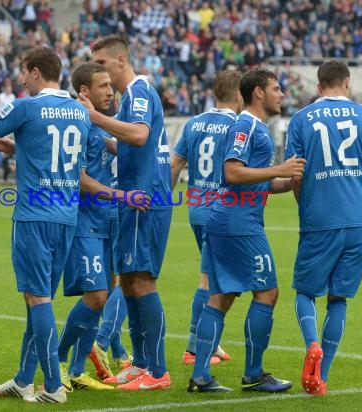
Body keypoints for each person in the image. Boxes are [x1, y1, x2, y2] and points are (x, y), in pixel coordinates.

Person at [0, 47, 91, 404]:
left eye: (24, 72)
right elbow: (66, 161)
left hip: (33, 216)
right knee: (37, 299)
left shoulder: (26, 106)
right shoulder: (80, 113)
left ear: (36, 71)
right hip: (66, 216)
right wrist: (18, 149)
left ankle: (53, 386)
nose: (21, 79)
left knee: (37, 299)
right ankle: (25, 380)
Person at [285, 60, 362, 395]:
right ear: (347, 83)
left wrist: (303, 205)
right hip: (360, 218)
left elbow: (296, 173)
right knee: (339, 299)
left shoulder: (301, 118)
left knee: (306, 292)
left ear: (319, 84)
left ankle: (312, 344)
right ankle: (321, 378)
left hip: (320, 217)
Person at [189, 69, 305, 393]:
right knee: (267, 292)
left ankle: (201, 376)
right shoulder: (246, 124)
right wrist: (280, 168)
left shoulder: (256, 127)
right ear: (258, 92)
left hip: (229, 217)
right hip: (239, 222)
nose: (282, 95)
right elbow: (232, 172)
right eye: (276, 88)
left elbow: (260, 182)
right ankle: (253, 374)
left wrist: (289, 180)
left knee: (222, 295)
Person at [78, 35, 172, 390]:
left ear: (120, 60)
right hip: (134, 196)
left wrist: (96, 117)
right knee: (130, 281)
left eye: (101, 63)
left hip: (143, 197)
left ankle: (158, 371)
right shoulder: (134, 96)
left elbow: (139, 136)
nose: (98, 70)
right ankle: (141, 363)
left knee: (142, 280)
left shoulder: (139, 91)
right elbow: (128, 145)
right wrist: (96, 132)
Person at [57, 62, 149, 391]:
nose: (111, 91)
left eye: (111, 85)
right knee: (96, 297)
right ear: (84, 92)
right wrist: (124, 196)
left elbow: (117, 148)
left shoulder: (99, 124)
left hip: (108, 220)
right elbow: (80, 179)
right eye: (103, 86)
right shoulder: (79, 124)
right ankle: (58, 357)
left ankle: (78, 370)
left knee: (108, 294)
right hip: (86, 222)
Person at [170, 69, 242, 366]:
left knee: (214, 276)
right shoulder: (239, 126)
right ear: (240, 95)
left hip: (197, 208)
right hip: (222, 211)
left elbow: (175, 165)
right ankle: (194, 347)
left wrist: (163, 201)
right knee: (210, 279)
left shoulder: (194, 123)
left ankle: (211, 342)